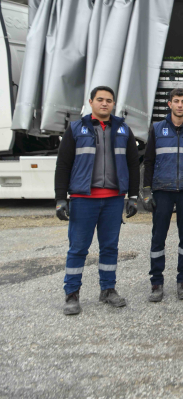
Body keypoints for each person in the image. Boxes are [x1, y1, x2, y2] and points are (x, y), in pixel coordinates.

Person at [54, 86, 140, 315]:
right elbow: (63, 165)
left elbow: (133, 164)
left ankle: (108, 289)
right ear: (90, 102)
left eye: (109, 100)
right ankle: (72, 294)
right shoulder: (76, 129)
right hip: (83, 199)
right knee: (78, 248)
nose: (104, 103)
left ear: (114, 104)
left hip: (113, 200)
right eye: (100, 99)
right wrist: (60, 198)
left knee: (110, 247)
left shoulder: (123, 129)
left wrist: (133, 196)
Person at [142, 88, 183, 302]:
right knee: (158, 238)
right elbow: (148, 162)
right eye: (176, 101)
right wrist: (146, 190)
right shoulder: (156, 129)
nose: (180, 105)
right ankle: (156, 283)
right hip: (162, 191)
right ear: (169, 104)